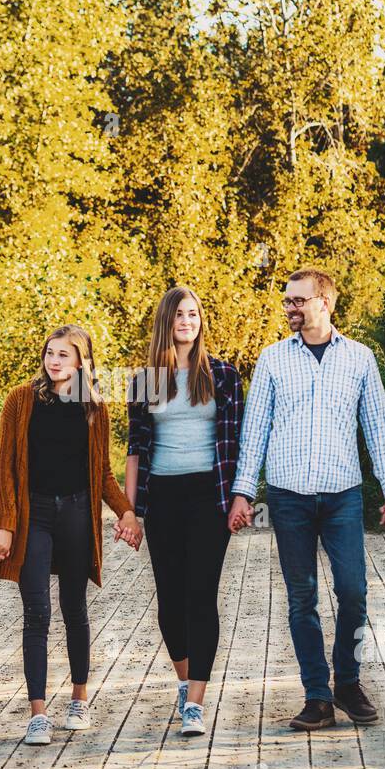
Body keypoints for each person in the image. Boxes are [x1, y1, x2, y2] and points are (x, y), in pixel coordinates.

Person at [229, 265, 385, 730]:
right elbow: (255, 431)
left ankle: (347, 682)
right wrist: (244, 494)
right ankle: (317, 695)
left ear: (324, 302)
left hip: (343, 494)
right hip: (288, 496)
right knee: (301, 596)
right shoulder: (272, 359)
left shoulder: (359, 358)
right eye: (287, 300)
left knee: (353, 591)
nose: (289, 307)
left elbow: (378, 428)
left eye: (298, 300)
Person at [0, 325, 142, 746]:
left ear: (81, 361)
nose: (54, 361)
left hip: (78, 512)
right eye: (49, 353)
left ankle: (79, 700)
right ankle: (37, 713)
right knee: (36, 612)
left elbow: (102, 474)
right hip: (33, 516)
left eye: (63, 354)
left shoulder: (93, 408)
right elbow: (5, 468)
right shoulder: (21, 401)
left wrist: (127, 512)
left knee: (75, 607)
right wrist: (6, 524)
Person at [126, 287, 243, 737]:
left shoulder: (223, 376)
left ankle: (195, 701)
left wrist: (240, 497)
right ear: (165, 321)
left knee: (201, 597)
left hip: (208, 497)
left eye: (193, 313)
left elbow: (239, 442)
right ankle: (183, 679)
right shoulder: (146, 380)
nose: (187, 321)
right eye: (179, 314)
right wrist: (131, 512)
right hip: (164, 498)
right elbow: (135, 449)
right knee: (169, 604)